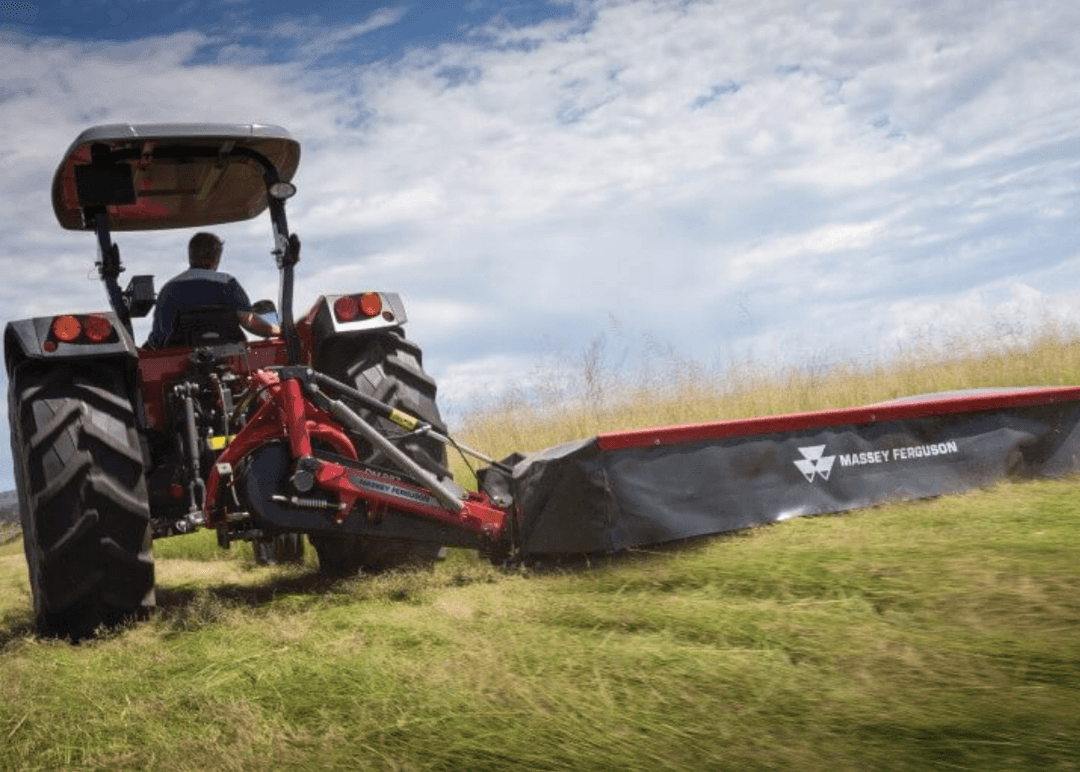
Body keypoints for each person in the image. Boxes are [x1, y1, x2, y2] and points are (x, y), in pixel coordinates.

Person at [144, 232, 280, 349]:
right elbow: (250, 322)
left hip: (180, 366)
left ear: (190, 256)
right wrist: (277, 330)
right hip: (230, 360)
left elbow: (159, 337)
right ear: (216, 259)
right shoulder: (228, 284)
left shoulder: (170, 289)